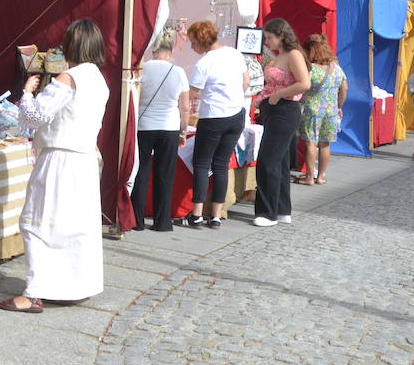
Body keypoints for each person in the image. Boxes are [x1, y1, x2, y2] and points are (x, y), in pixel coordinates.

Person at [0, 19, 110, 314]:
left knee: (38, 221)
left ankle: (35, 292)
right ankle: (71, 286)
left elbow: (35, 117)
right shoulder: (98, 79)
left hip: (61, 157)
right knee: (74, 226)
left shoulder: (69, 78)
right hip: (83, 159)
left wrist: (27, 93)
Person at [179, 20, 248, 230]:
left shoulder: (204, 63)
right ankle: (216, 215)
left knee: (202, 164)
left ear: (201, 41)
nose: (192, 47)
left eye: (193, 43)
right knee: (221, 164)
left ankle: (197, 214)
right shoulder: (235, 54)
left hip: (213, 117)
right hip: (236, 115)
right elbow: (246, 82)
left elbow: (191, 94)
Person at [252, 19, 311, 227]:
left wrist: (279, 94)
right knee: (281, 162)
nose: (267, 42)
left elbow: (304, 83)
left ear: (281, 35)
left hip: (284, 111)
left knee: (268, 161)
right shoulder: (281, 56)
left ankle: (268, 212)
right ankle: (282, 209)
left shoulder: (294, 54)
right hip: (274, 111)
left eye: (269, 38)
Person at [130, 29, 190, 232]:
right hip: (169, 127)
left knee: (141, 172)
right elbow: (185, 107)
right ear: (170, 51)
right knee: (165, 174)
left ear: (153, 49)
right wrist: (183, 132)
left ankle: (136, 220)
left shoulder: (142, 69)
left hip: (144, 125)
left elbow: (134, 97)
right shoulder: (178, 72)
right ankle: (162, 222)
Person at [297, 34, 346, 187]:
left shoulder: (311, 70)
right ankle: (321, 176)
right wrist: (339, 106)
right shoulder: (336, 68)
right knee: (325, 144)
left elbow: (301, 88)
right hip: (331, 111)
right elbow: (344, 89)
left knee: (311, 143)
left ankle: (309, 177)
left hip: (312, 110)